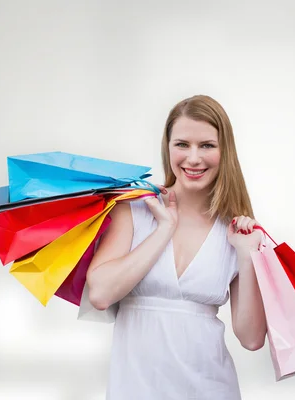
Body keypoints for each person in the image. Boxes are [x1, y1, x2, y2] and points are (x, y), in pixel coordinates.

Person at [85, 95, 268, 399]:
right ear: (167, 147)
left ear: (225, 151)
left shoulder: (236, 229)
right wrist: (165, 228)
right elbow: (101, 294)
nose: (193, 158)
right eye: (182, 144)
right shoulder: (135, 210)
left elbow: (251, 339)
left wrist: (246, 257)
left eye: (207, 145)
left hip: (211, 388)